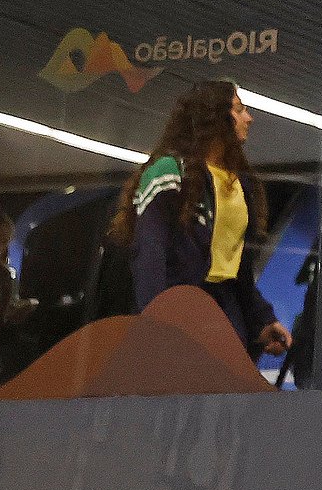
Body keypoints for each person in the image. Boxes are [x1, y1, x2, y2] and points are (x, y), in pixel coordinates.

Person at [111, 80, 289, 362]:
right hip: (179, 309)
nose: (249, 118)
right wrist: (155, 321)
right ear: (216, 117)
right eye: (240, 109)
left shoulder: (237, 182)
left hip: (223, 313)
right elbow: (150, 250)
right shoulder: (170, 171)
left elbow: (235, 271)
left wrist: (261, 319)